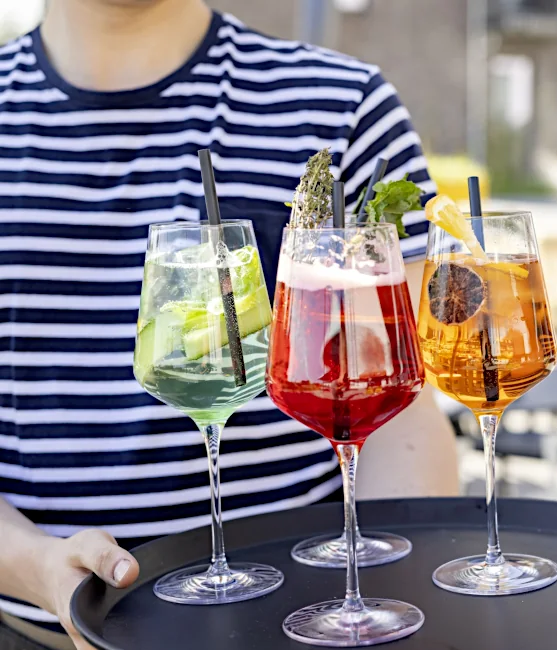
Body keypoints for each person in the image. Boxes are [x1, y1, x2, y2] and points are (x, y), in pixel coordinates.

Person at [0, 1, 460, 648]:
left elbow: (399, 405)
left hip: (304, 626)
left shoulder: (342, 104)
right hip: (32, 630)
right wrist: (38, 569)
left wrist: (375, 605)